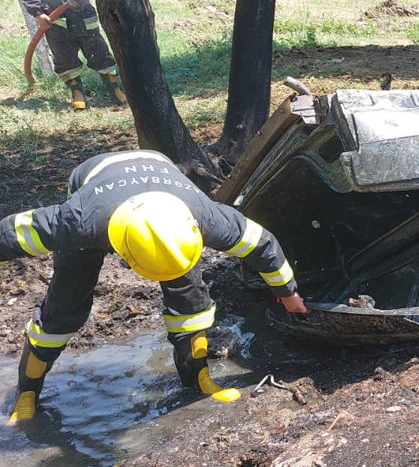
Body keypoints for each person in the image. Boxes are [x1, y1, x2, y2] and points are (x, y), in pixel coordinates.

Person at [0, 150, 308, 422]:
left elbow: (263, 244)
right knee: (64, 306)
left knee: (192, 304)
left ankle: (198, 378)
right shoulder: (77, 221)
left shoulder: (209, 217)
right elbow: (9, 235)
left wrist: (287, 292)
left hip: (161, 178)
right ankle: (26, 394)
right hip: (94, 176)